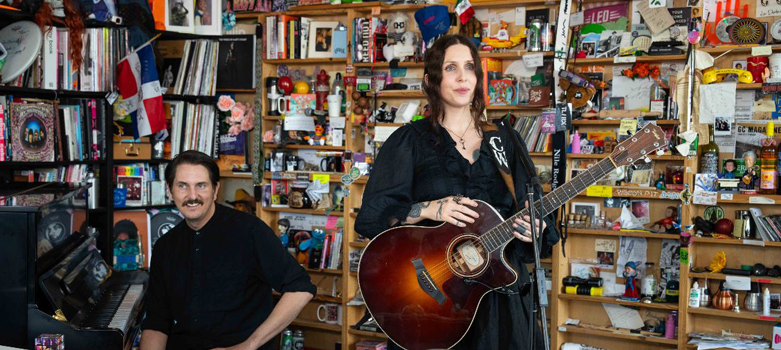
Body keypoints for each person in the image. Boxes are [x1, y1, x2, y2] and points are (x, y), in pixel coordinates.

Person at [353, 34, 559, 350]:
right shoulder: (409, 141)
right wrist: (428, 208)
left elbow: (537, 214)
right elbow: (371, 218)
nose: (463, 77)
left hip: (499, 304)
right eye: (451, 68)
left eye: (469, 68)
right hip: (434, 304)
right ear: (431, 80)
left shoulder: (505, 140)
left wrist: (537, 228)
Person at [141, 150, 315, 350]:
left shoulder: (250, 231)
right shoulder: (165, 246)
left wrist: (248, 346)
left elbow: (301, 288)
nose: (192, 196)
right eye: (182, 186)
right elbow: (156, 322)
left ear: (215, 190)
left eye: (201, 186)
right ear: (170, 191)